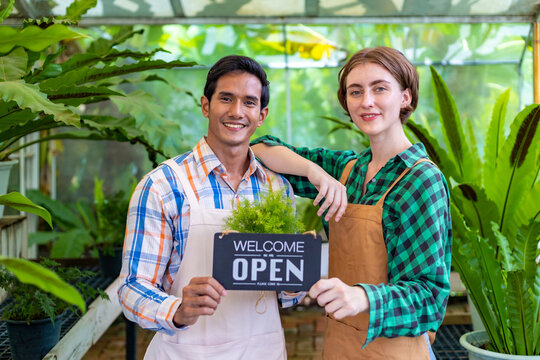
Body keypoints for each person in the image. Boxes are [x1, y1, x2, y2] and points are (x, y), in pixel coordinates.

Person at [251, 46, 451, 359]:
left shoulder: (421, 181)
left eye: (380, 88)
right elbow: (262, 148)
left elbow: (429, 297)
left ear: (406, 97)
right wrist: (314, 172)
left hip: (394, 347)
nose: (366, 101)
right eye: (355, 92)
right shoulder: (347, 170)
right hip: (339, 342)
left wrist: (362, 297)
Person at [118, 55, 304, 360]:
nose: (236, 112)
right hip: (187, 352)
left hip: (263, 351)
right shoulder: (163, 185)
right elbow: (131, 288)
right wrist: (176, 308)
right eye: (226, 99)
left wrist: (298, 282)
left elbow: (285, 294)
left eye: (249, 102)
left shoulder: (277, 189)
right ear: (206, 105)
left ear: (261, 115)